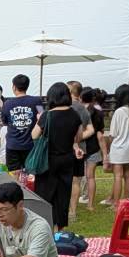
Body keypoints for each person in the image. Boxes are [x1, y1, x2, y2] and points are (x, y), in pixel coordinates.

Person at [30, 83, 81, 229]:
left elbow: (34, 135)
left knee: (45, 195)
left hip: (48, 160)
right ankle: (60, 228)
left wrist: (39, 120)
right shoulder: (74, 114)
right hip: (67, 159)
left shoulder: (47, 115)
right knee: (63, 195)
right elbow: (78, 137)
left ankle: (46, 226)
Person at [104, 85, 129, 206]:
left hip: (119, 147)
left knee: (118, 176)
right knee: (128, 174)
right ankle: (127, 201)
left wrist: (108, 150)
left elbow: (113, 134)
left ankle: (116, 204)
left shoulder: (119, 111)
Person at [1, 74, 42, 170]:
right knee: (31, 173)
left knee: (14, 174)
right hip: (31, 145)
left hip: (13, 145)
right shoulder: (37, 101)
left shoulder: (7, 104)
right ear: (27, 86)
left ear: (14, 87)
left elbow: (4, 121)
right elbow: (42, 117)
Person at [78, 89, 106, 212]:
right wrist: (105, 154)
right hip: (94, 148)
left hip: (79, 148)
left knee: (76, 179)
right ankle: (90, 205)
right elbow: (100, 134)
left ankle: (72, 206)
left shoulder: (77, 111)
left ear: (80, 98)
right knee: (91, 177)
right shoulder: (98, 113)